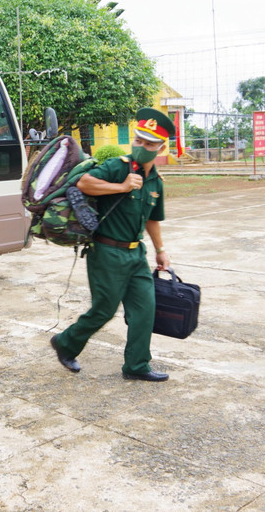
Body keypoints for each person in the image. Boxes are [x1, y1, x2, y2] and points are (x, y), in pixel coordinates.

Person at [50, 108, 177, 382]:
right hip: (106, 252)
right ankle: (66, 343)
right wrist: (121, 187)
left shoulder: (155, 181)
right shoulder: (118, 167)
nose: (141, 146)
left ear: (161, 148)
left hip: (136, 254)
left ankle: (136, 366)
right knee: (104, 310)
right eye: (138, 140)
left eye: (149, 143)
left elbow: (152, 219)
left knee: (145, 309)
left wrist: (160, 251)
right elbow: (82, 182)